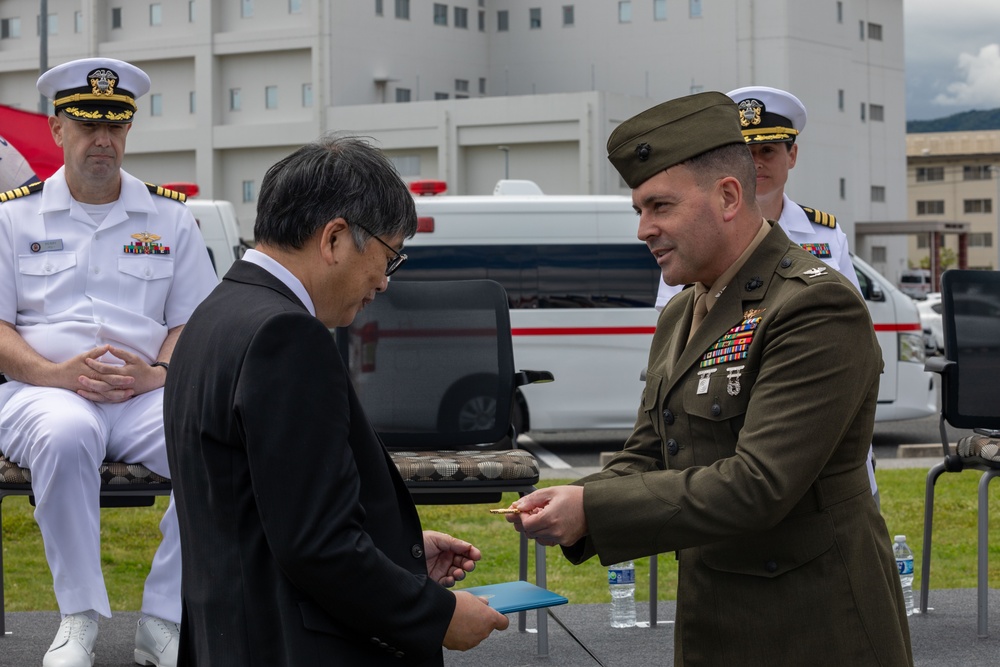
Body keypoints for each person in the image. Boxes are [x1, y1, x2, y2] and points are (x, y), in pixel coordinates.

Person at [508, 92, 913, 666]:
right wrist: (574, 501)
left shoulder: (815, 304)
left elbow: (760, 484)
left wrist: (593, 511)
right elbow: (651, 450)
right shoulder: (684, 309)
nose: (644, 229)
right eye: (639, 211)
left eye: (660, 207)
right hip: (714, 613)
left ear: (727, 196)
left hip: (815, 625)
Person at [162, 135, 509, 666]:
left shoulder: (217, 314)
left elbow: (261, 509)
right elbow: (317, 546)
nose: (384, 284)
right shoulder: (286, 337)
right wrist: (436, 615)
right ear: (336, 239)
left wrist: (392, 549)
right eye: (389, 257)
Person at [0, 58, 218, 667]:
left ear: (128, 131)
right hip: (44, 390)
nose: (103, 139)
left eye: (116, 126)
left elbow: (192, 322)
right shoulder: (12, 217)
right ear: (57, 129)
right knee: (65, 434)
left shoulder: (168, 216)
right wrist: (54, 373)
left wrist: (162, 375)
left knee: (213, 439)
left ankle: (164, 618)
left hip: (144, 392)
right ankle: (80, 618)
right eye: (87, 124)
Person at [654, 85, 880, 503]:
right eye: (746, 153)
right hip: (721, 414)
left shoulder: (825, 235)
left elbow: (853, 329)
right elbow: (673, 343)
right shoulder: (697, 236)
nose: (757, 164)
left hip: (807, 410)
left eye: (769, 152)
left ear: (792, 155)